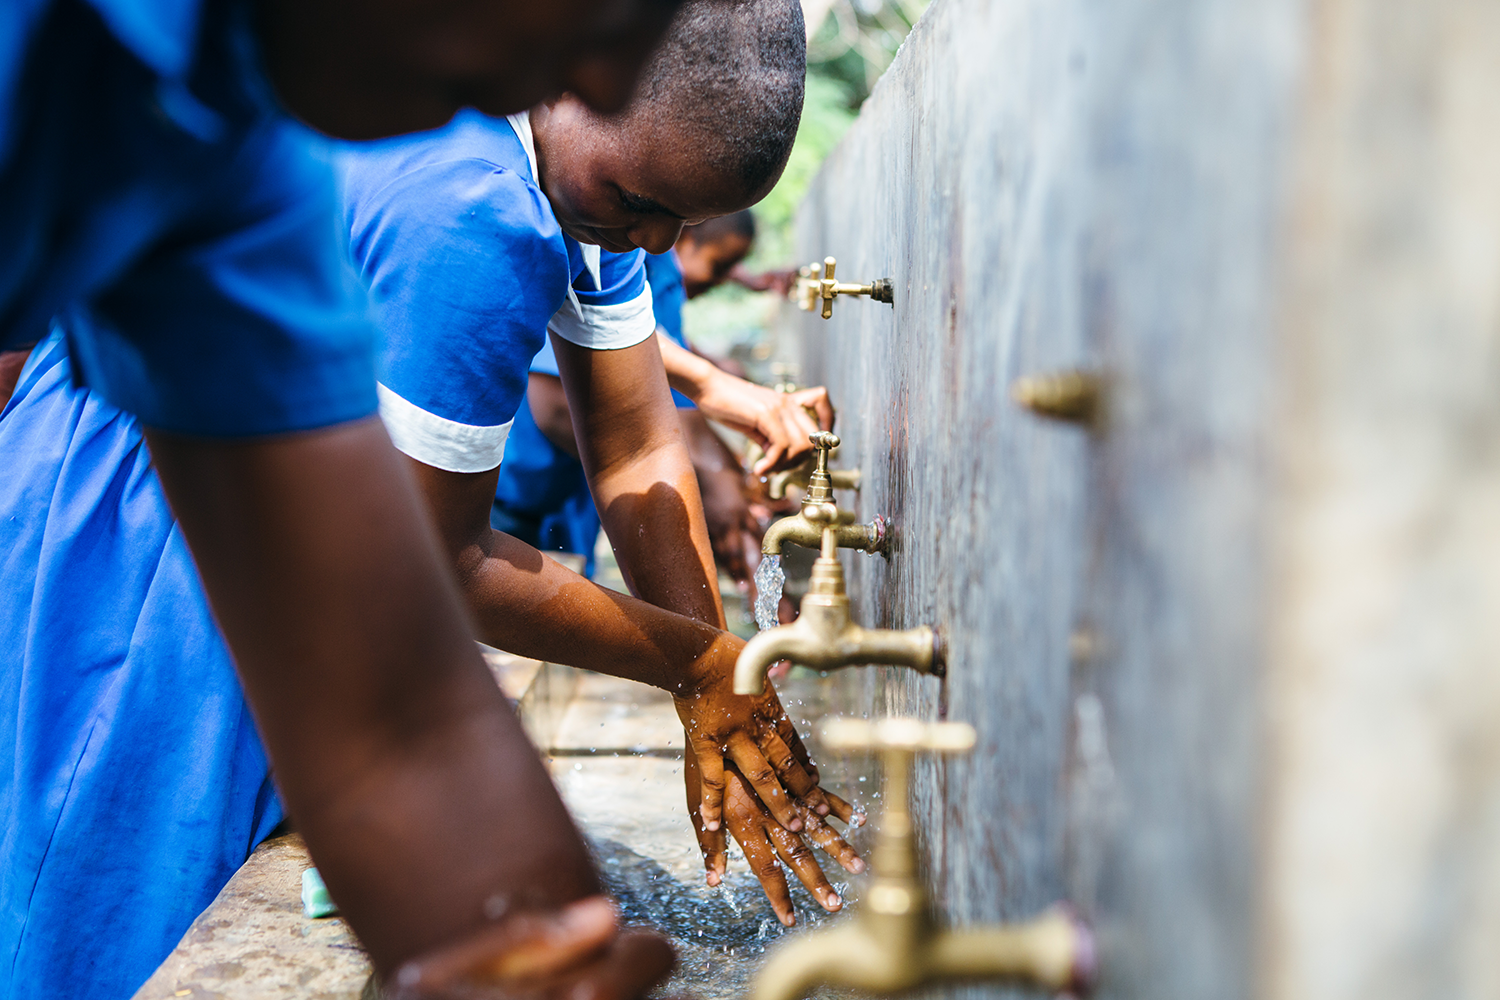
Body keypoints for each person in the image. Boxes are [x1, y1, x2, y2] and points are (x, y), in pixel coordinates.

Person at [0, 0, 728, 995]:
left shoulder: (242, 162)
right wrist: (703, 658)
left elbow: (388, 678)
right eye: (582, 33)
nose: (583, 89)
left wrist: (502, 935)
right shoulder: (469, 204)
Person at [338, 0, 862, 932]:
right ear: (576, 71)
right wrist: (701, 661)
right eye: (645, 207)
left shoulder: (590, 192)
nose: (659, 245)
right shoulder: (478, 213)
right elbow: (431, 560)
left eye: (681, 221)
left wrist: (717, 688)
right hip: (176, 541)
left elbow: (635, 442)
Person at [496, 211, 828, 583]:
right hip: (506, 493)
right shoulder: (626, 258)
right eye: (720, 266)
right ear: (685, 233)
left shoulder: (643, 264)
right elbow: (558, 398)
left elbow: (675, 396)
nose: (718, 282)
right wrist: (713, 478)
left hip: (552, 498)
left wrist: (730, 475)